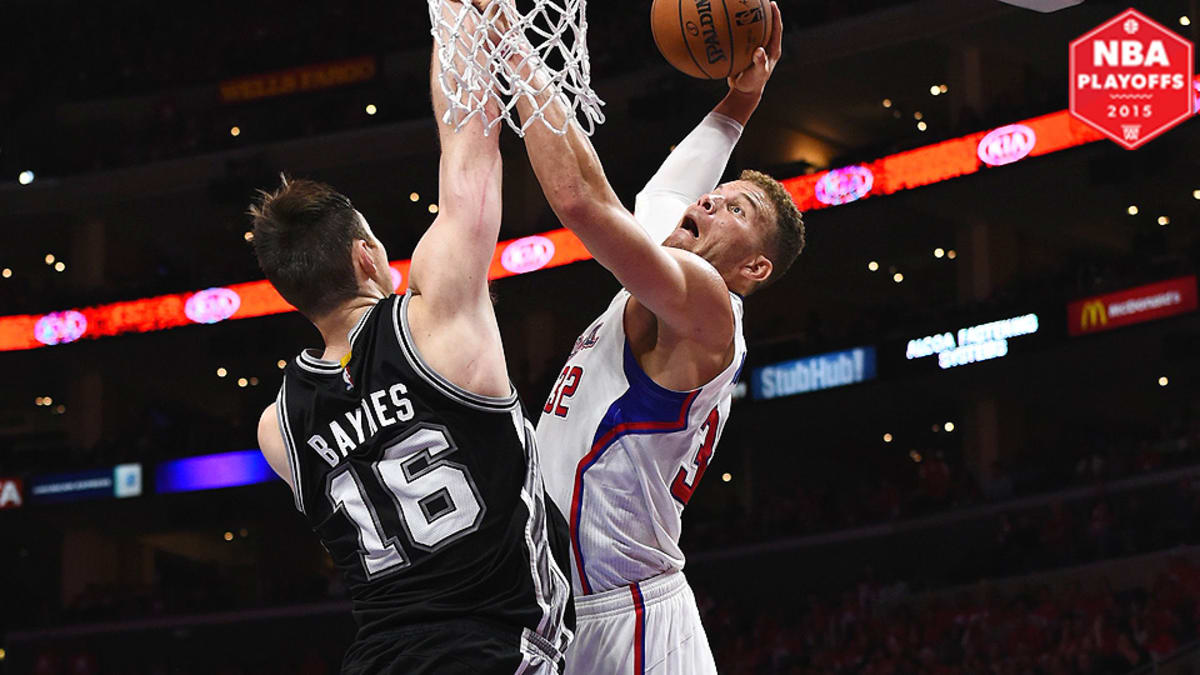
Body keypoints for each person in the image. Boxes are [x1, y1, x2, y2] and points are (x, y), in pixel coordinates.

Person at [250, 5, 573, 673]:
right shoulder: (435, 319)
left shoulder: (277, 427)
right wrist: (459, 16)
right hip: (495, 650)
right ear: (367, 256)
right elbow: (470, 146)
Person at [502, 3, 804, 672]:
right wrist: (741, 98)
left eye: (735, 209)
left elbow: (578, 197)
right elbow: (667, 191)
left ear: (754, 268)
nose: (706, 203)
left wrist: (511, 42)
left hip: (632, 617)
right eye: (715, 195)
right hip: (570, 609)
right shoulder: (669, 265)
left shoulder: (709, 308)